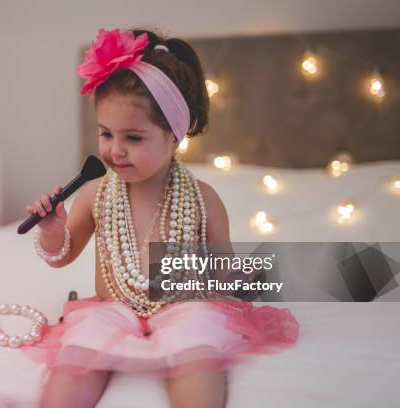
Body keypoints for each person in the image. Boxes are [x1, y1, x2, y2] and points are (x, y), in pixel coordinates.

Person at [24, 28, 299, 408]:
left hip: (181, 305)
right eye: (106, 134)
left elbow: (223, 271)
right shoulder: (95, 194)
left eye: (133, 138)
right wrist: (53, 231)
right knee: (80, 348)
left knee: (199, 333)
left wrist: (243, 276)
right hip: (112, 308)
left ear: (174, 137)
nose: (115, 150)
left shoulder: (203, 200)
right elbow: (62, 256)